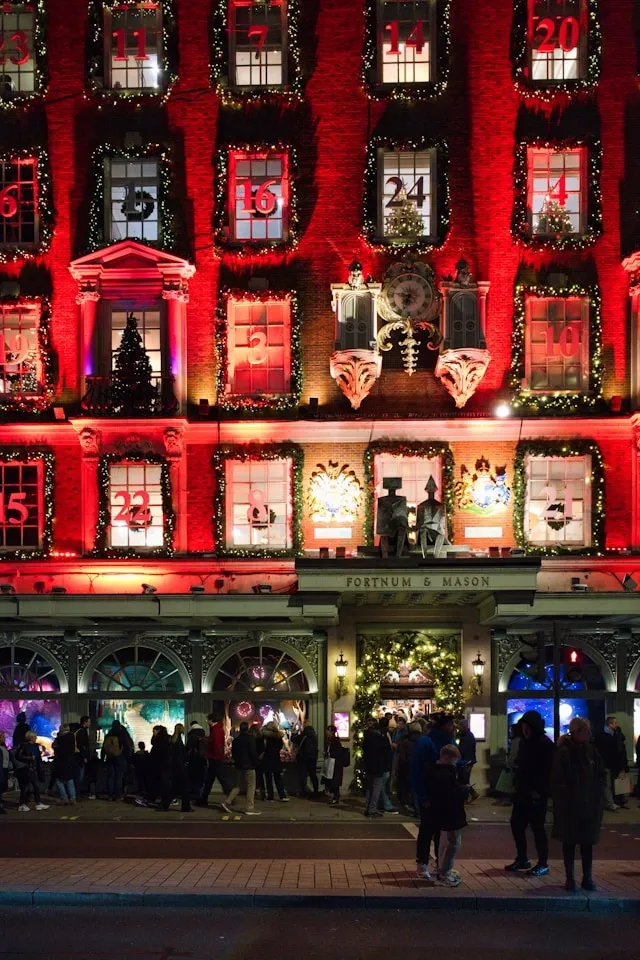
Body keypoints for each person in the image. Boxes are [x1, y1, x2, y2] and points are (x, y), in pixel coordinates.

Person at [551, 717, 606, 892]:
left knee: (587, 843)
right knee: (570, 842)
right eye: (586, 731)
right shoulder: (564, 753)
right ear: (578, 732)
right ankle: (570, 878)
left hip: (589, 805)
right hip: (570, 806)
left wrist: (597, 796)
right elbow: (557, 780)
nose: (589, 734)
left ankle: (587, 877)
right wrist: (566, 797)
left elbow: (600, 775)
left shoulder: (592, 752)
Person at [505, 710, 555, 877]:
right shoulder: (525, 743)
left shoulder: (544, 744)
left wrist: (539, 790)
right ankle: (522, 858)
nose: (525, 730)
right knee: (517, 824)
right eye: (523, 726)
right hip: (522, 791)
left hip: (536, 794)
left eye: (527, 726)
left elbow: (548, 770)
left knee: (537, 829)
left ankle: (542, 862)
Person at [412, 713, 456, 881]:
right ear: (443, 725)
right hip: (430, 793)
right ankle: (423, 864)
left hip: (444, 794)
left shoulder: (447, 741)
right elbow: (416, 772)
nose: (453, 727)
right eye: (451, 724)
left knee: (441, 831)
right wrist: (422, 795)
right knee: (427, 829)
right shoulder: (426, 742)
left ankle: (440, 864)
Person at [428, 744, 467, 887]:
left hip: (444, 812)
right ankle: (444, 872)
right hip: (451, 813)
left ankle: (443, 869)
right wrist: (463, 791)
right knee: (453, 843)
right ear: (446, 757)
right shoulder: (445, 774)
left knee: (445, 842)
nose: (455, 763)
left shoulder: (439, 771)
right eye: (454, 760)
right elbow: (450, 794)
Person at [197, 713, 234, 812]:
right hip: (216, 758)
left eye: (208, 720)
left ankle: (231, 797)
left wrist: (215, 756)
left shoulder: (216, 730)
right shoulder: (218, 729)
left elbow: (217, 745)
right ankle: (204, 799)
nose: (207, 722)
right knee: (213, 780)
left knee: (219, 780)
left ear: (211, 720)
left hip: (215, 759)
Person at [363, 719, 396, 816]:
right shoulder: (381, 739)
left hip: (369, 766)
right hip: (379, 767)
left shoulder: (367, 737)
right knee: (377, 788)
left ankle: (367, 808)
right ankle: (372, 809)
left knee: (369, 788)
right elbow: (387, 753)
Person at [595, 716, 629, 811]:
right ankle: (610, 803)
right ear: (609, 724)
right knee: (608, 784)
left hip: (611, 763)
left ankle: (611, 802)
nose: (616, 724)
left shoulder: (612, 735)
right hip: (607, 763)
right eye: (614, 723)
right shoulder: (612, 736)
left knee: (610, 784)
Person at [227, 721, 260, 815]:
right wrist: (255, 763)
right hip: (249, 765)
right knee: (251, 786)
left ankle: (227, 802)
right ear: (248, 729)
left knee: (238, 785)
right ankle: (250, 808)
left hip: (239, 766)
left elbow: (233, 754)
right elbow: (253, 753)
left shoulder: (236, 740)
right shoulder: (250, 739)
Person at [12, 731, 49, 811]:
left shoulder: (35, 746)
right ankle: (22, 804)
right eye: (35, 737)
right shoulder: (24, 746)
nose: (36, 738)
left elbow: (38, 758)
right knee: (25, 787)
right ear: (31, 738)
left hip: (34, 769)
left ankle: (38, 803)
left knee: (36, 786)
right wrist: (29, 758)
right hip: (26, 769)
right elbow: (18, 755)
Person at [101, 719, 132, 801]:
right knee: (119, 777)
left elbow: (103, 748)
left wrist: (102, 759)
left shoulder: (108, 734)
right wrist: (129, 759)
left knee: (111, 777)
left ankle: (110, 795)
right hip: (120, 757)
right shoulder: (122, 734)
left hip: (109, 758)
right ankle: (118, 795)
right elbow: (128, 746)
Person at [396, 721, 422, 813]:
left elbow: (402, 757)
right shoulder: (423, 740)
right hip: (421, 767)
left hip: (408, 767)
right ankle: (419, 808)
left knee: (410, 788)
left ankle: (412, 806)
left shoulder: (406, 742)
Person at [262, 721, 289, 802]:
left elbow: (264, 747)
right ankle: (282, 796)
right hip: (276, 758)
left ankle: (270, 796)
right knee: (278, 778)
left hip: (267, 758)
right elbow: (280, 747)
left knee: (268, 779)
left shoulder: (265, 737)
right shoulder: (278, 737)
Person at [52, 724, 78, 805]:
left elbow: (55, 747)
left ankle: (64, 797)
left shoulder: (60, 738)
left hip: (61, 761)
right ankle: (73, 798)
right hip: (70, 761)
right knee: (70, 780)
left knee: (59, 781)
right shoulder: (72, 737)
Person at [323, 724, 348, 805]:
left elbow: (337, 752)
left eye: (328, 730)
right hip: (331, 764)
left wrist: (328, 753)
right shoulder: (330, 740)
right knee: (332, 781)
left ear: (332, 732)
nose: (326, 732)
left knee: (334, 781)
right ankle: (334, 796)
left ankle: (335, 797)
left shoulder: (335, 741)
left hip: (335, 765)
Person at [293, 721, 319, 798]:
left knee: (303, 775)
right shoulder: (314, 734)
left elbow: (294, 739)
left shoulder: (304, 734)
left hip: (304, 758)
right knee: (313, 774)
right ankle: (316, 791)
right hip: (313, 757)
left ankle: (303, 792)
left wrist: (296, 732)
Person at [170, 723, 192, 813]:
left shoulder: (174, 740)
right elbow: (181, 755)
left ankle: (165, 804)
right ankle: (186, 807)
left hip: (176, 766)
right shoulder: (179, 741)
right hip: (180, 766)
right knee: (185, 788)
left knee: (175, 788)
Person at [457, 719, 479, 802]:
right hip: (468, 760)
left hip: (466, 761)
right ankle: (472, 794)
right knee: (465, 779)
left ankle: (465, 798)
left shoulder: (467, 737)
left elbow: (463, 750)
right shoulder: (468, 735)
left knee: (464, 779)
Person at [185, 721, 207, 801]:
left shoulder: (192, 734)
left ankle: (194, 793)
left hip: (193, 759)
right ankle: (200, 793)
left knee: (193, 777)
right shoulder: (203, 733)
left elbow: (188, 747)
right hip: (202, 759)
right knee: (201, 777)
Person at [73, 716, 91, 797]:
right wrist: (84, 757)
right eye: (89, 722)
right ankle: (76, 794)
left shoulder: (79, 730)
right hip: (79, 757)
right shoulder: (82, 731)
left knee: (78, 776)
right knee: (79, 776)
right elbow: (82, 745)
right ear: (85, 722)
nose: (90, 724)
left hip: (77, 756)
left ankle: (76, 793)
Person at [249, 722, 266, 801]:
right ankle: (263, 792)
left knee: (253, 778)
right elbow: (263, 749)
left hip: (252, 760)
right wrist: (260, 757)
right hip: (260, 760)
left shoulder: (250, 739)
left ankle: (255, 791)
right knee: (260, 777)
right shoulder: (261, 738)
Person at [0, 730, 10, 813]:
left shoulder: (4, 747)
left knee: (3, 787)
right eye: (3, 737)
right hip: (1, 769)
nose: (4, 738)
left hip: (5, 768)